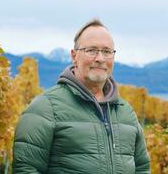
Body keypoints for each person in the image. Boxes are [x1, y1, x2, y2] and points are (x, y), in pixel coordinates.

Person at [12, 19, 150, 174]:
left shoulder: (126, 112)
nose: (100, 58)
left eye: (107, 51)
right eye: (91, 50)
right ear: (74, 56)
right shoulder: (45, 108)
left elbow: (142, 168)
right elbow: (26, 169)